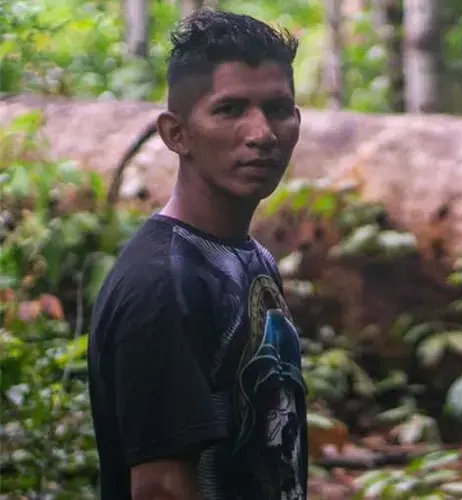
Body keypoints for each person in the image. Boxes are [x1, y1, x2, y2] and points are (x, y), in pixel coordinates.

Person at [87, 9, 308, 500]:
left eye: (277, 108)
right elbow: (160, 488)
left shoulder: (251, 258)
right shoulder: (164, 283)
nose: (262, 133)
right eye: (230, 110)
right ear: (176, 134)